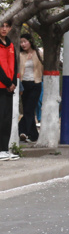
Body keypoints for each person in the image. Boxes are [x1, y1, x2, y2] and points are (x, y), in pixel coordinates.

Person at [17, 33, 42, 143]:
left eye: (25, 41)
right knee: (29, 110)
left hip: (35, 84)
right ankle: (34, 135)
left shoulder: (39, 53)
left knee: (28, 110)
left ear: (30, 41)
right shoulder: (20, 55)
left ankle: (21, 131)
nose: (23, 44)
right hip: (24, 85)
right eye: (21, 42)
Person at [0, 20, 15, 159]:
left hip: (9, 88)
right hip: (1, 86)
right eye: (2, 26)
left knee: (7, 120)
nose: (4, 29)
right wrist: (8, 82)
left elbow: (14, 64)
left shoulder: (11, 45)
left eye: (7, 26)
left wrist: (13, 82)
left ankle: (4, 149)